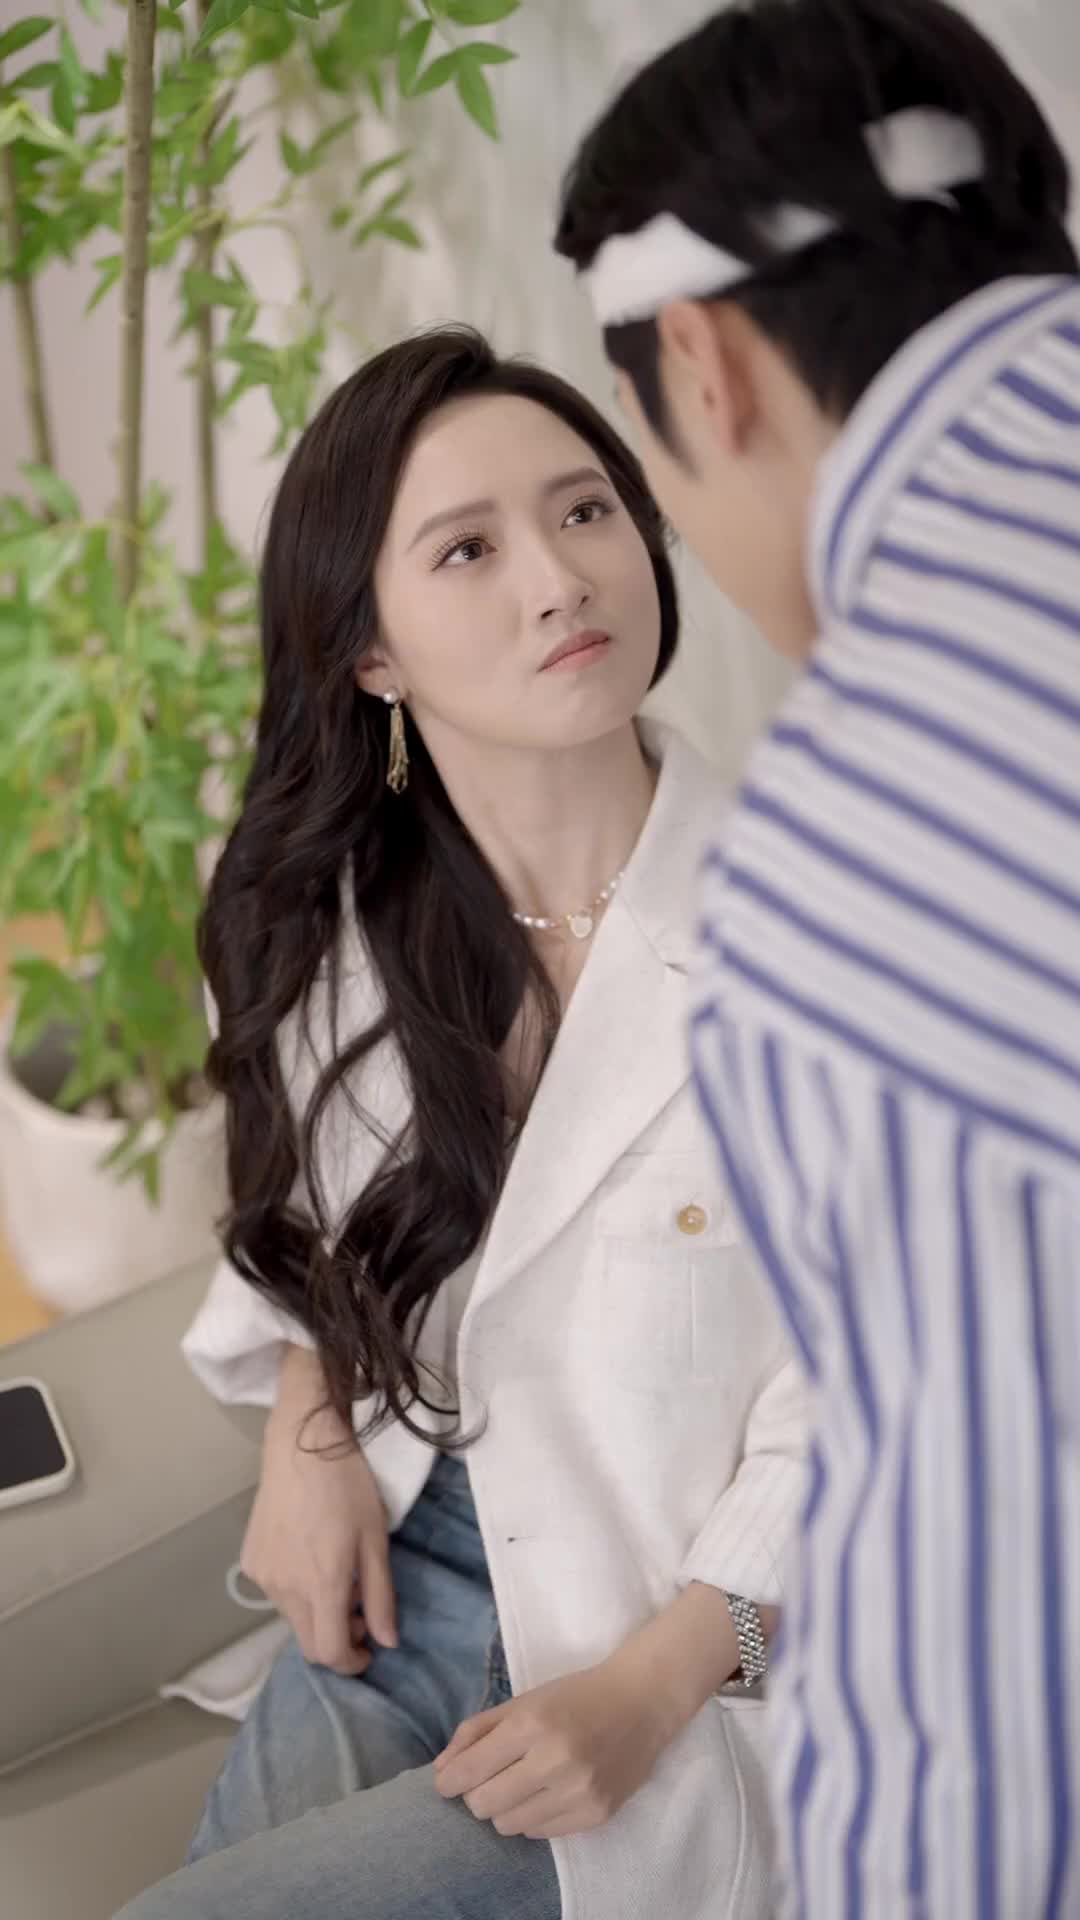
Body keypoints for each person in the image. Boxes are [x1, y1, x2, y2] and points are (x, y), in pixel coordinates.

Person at [116, 327, 805, 1920]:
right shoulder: (327, 920)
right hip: (407, 1573)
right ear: (370, 651)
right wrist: (308, 1435)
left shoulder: (830, 934)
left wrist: (656, 1686)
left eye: (585, 511)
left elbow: (900, 1397)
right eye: (470, 549)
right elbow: (313, 1226)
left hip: (696, 1646)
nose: (560, 581)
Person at [555, 2, 1080, 1915]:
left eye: (603, 496)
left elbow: (988, 1635)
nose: (565, 580)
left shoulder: (846, 851)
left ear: (701, 368)